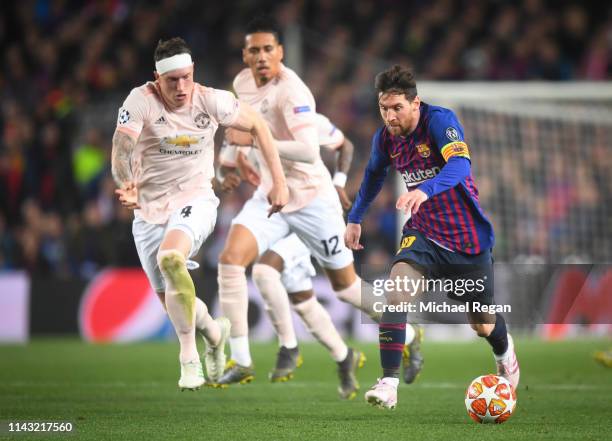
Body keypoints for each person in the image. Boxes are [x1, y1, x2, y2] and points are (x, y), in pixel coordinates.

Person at [111, 37, 288, 391]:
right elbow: (121, 146)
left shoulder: (211, 100)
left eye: (186, 77)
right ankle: (214, 332)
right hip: (148, 211)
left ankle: (188, 360)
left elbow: (259, 126)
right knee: (174, 302)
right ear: (156, 78)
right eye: (172, 80)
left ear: (194, 72)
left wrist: (279, 182)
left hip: (196, 199)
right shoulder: (140, 100)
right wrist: (125, 181)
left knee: (171, 258)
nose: (180, 87)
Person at [214, 16, 381, 388]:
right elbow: (238, 134)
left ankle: (398, 320)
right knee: (232, 262)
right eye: (254, 50)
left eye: (268, 49)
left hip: (311, 201)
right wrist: (227, 165)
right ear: (245, 55)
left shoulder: (295, 94)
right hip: (271, 197)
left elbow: (307, 151)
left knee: (346, 288)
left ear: (281, 53)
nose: (261, 56)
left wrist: (254, 144)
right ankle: (242, 359)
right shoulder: (242, 84)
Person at [345, 65, 519, 409]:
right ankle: (389, 383)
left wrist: (425, 190)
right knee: (397, 293)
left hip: (467, 240)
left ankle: (505, 352)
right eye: (384, 108)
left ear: (415, 103)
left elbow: (460, 167)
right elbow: (372, 176)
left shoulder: (439, 121)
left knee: (482, 323)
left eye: (397, 108)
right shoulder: (385, 138)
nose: (390, 116)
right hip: (422, 234)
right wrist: (354, 218)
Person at [218, 112, 365, 399]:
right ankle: (344, 355)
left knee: (267, 271)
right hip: (277, 210)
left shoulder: (306, 119)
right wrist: (229, 175)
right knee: (300, 296)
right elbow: (224, 167)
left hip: (313, 211)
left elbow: (345, 146)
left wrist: (339, 181)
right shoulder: (241, 127)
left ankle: (288, 346)